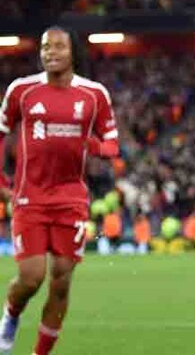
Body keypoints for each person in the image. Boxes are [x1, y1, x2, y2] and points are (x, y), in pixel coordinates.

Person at [0, 27, 119, 355]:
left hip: (71, 200)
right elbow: (1, 132)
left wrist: (90, 144)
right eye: (45, 47)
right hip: (30, 196)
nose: (50, 52)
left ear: (72, 52)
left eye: (58, 46)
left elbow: (111, 144)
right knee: (31, 276)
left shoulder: (94, 95)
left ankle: (40, 353)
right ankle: (10, 314)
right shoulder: (22, 91)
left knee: (61, 282)